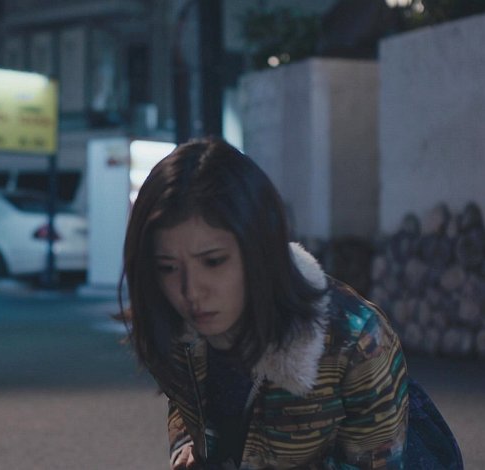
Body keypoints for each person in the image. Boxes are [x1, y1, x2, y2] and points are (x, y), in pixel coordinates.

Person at [119, 137, 461, 469]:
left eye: (213, 261)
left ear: (258, 248)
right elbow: (186, 399)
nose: (191, 291)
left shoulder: (356, 338)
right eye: (167, 267)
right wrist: (185, 444)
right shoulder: (173, 322)